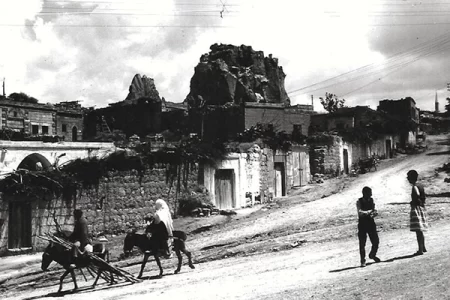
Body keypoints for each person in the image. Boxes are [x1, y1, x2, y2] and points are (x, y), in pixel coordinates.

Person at [357, 186, 380, 267]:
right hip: (362, 223)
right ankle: (362, 260)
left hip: (370, 222)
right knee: (362, 243)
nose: (371, 194)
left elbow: (374, 210)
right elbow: (360, 212)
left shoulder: (371, 200)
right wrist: (369, 212)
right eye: (369, 193)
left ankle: (372, 255)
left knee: (376, 241)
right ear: (365, 193)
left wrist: (374, 213)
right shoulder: (359, 201)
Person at [407, 170, 428, 255]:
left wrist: (413, 202)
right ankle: (423, 247)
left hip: (416, 208)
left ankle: (420, 249)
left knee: (418, 230)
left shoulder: (415, 187)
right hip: (421, 208)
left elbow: (417, 195)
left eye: (408, 177)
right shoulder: (421, 185)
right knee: (421, 230)